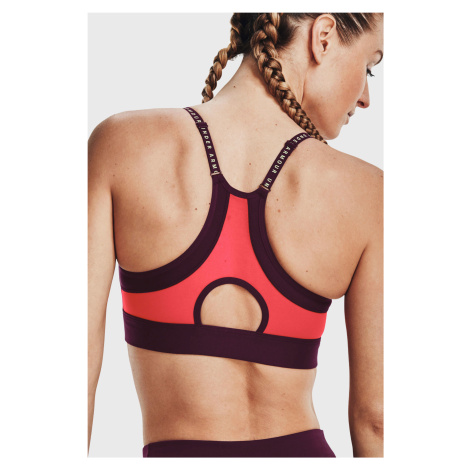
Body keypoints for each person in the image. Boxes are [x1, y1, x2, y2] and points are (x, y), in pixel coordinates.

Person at [88, 12, 383, 457]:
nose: (365, 98)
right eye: (370, 67)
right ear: (323, 37)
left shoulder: (120, 146)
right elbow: (376, 420)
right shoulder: (369, 194)